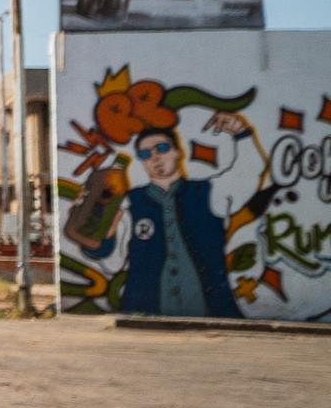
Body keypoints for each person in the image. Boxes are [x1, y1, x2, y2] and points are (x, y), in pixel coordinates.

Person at [79, 115, 272, 318]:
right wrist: (100, 236)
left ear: (177, 152)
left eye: (162, 149)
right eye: (146, 154)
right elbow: (112, 263)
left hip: (212, 313)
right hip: (143, 316)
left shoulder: (207, 193)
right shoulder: (129, 203)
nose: (155, 158)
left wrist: (241, 132)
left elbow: (248, 173)